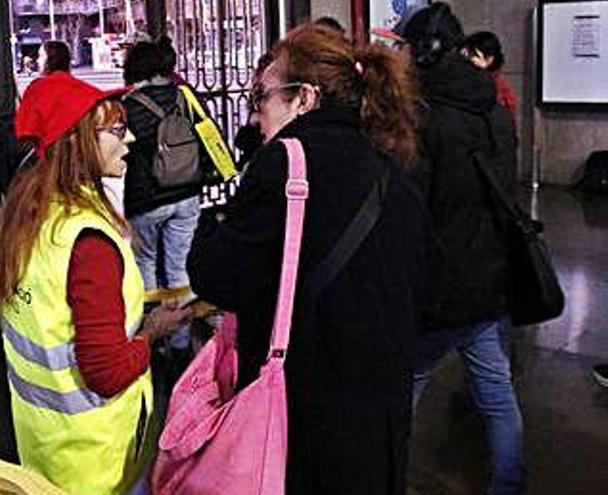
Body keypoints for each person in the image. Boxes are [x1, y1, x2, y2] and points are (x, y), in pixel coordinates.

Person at [187, 23, 428, 495]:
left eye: (262, 97)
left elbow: (214, 276)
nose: (256, 116)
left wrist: (210, 225)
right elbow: (427, 281)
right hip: (380, 408)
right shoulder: (389, 164)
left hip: (306, 408)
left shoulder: (284, 164)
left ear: (304, 99)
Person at [0, 72, 191, 495]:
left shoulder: (28, 216)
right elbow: (107, 372)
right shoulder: (89, 240)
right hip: (100, 462)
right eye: (116, 129)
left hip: (45, 447)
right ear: (78, 139)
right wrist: (154, 331)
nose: (130, 139)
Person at [401, 4, 525, 495]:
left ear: (427, 50)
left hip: (439, 286)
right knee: (497, 393)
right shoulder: (495, 111)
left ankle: (383, 474)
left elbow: (416, 208)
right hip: (491, 276)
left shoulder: (426, 119)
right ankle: (509, 485)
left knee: (403, 387)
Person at [122, 38, 203, 356]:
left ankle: (153, 341)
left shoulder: (130, 107)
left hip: (147, 200)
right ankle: (182, 342)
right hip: (187, 195)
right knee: (178, 266)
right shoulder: (186, 96)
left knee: (145, 262)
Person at [462, 31, 518, 125]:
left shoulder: (495, 88)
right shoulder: (495, 84)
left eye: (473, 55)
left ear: (489, 58)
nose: (468, 59)